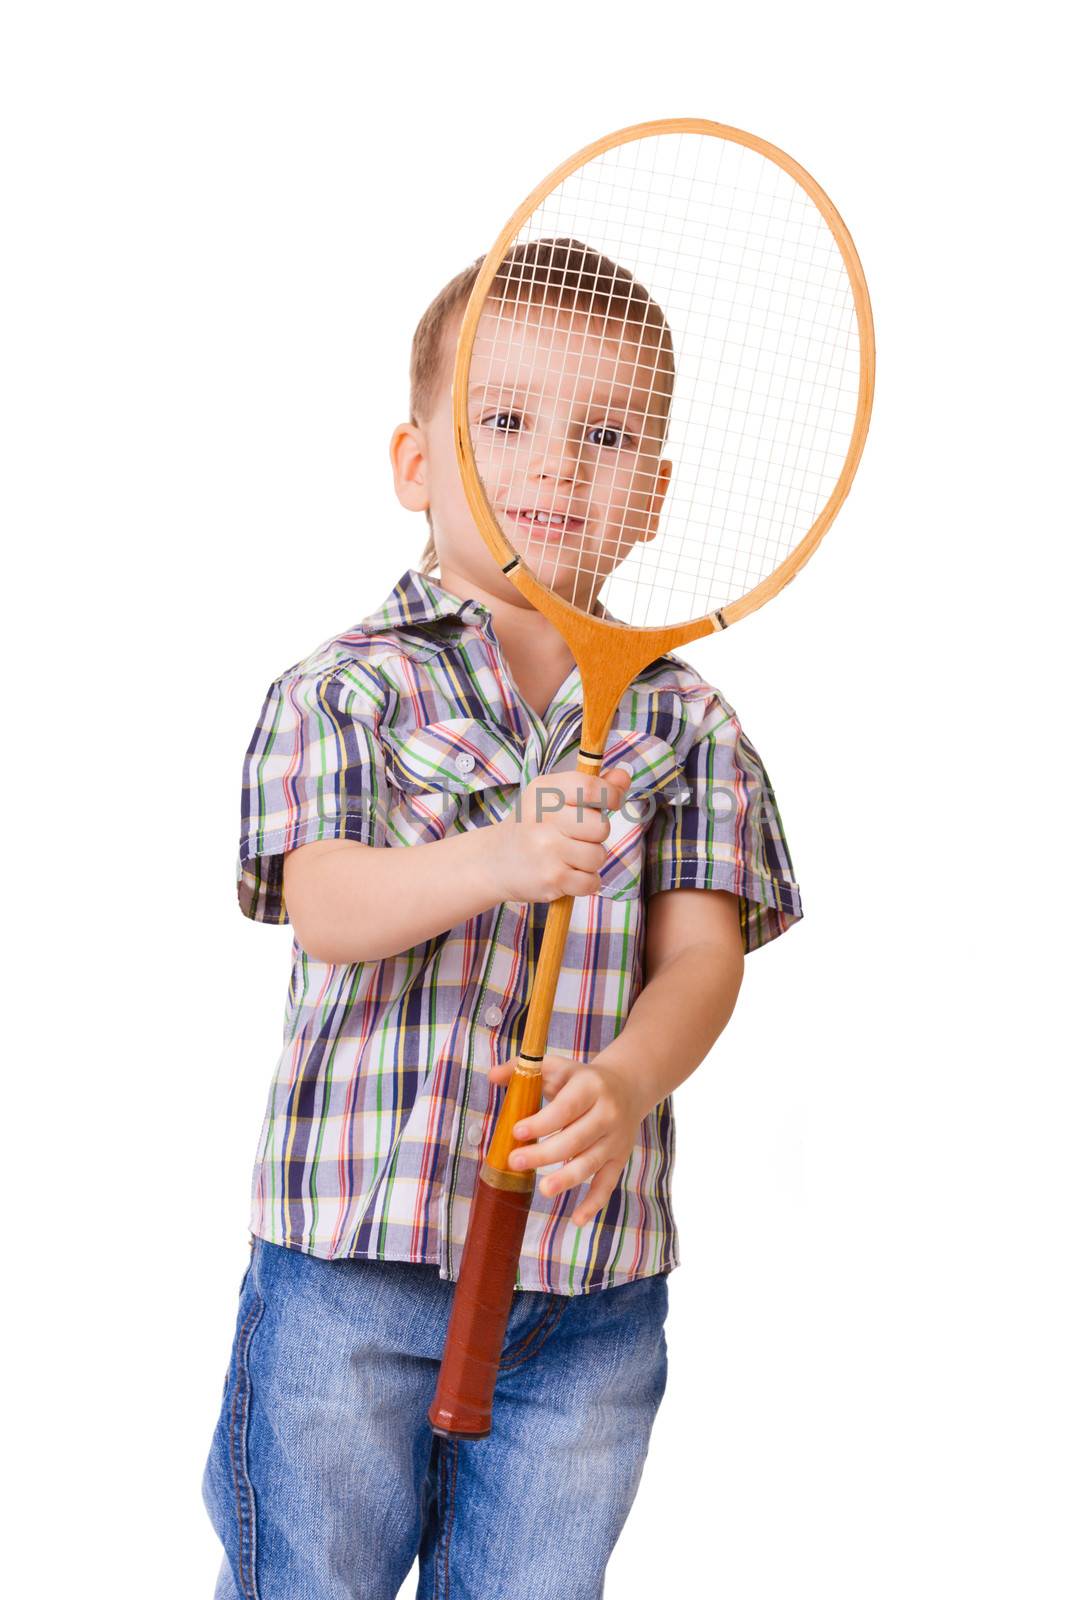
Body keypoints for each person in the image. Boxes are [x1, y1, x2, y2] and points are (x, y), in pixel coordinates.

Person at [202, 240, 803, 1599]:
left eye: (604, 437)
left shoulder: (686, 723)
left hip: (587, 1279)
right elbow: (326, 906)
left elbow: (701, 955)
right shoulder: (341, 691)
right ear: (415, 464)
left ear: (650, 493)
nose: (555, 466)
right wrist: (498, 856)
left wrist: (629, 1075)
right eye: (505, 422)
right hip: (351, 1261)